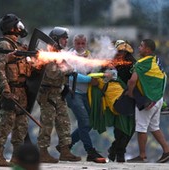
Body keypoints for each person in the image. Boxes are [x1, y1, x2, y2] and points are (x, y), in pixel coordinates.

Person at [0, 13, 32, 167]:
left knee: (21, 127)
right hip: (11, 90)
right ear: (11, 28)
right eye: (17, 25)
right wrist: (6, 90)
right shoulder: (4, 45)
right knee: (6, 124)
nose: (20, 27)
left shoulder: (17, 46)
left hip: (22, 91)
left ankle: (16, 157)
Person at [37, 27, 81, 163]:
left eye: (67, 38)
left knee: (64, 122)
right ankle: (43, 152)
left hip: (58, 93)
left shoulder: (59, 54)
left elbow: (67, 68)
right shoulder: (48, 55)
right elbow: (52, 73)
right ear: (55, 39)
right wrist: (66, 70)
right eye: (63, 38)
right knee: (47, 123)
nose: (66, 41)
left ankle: (65, 150)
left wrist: (69, 69)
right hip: (48, 93)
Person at [126, 39, 169, 163]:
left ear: (148, 50)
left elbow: (133, 81)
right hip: (158, 100)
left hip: (147, 102)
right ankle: (167, 150)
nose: (139, 48)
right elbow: (164, 78)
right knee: (154, 127)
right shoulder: (157, 61)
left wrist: (130, 92)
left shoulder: (141, 63)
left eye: (141, 46)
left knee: (141, 128)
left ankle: (142, 155)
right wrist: (159, 98)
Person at [66, 34, 105, 163]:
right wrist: (90, 80)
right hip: (73, 93)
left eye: (83, 43)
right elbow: (71, 76)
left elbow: (93, 71)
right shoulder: (70, 57)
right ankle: (90, 151)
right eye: (78, 43)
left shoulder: (88, 56)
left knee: (89, 124)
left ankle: (66, 146)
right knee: (85, 122)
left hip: (85, 94)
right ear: (74, 43)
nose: (81, 46)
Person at [107, 40, 136, 162]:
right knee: (120, 126)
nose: (121, 53)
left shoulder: (133, 63)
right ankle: (120, 153)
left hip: (130, 95)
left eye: (123, 51)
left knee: (132, 127)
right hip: (116, 96)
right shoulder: (109, 62)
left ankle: (115, 150)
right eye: (119, 51)